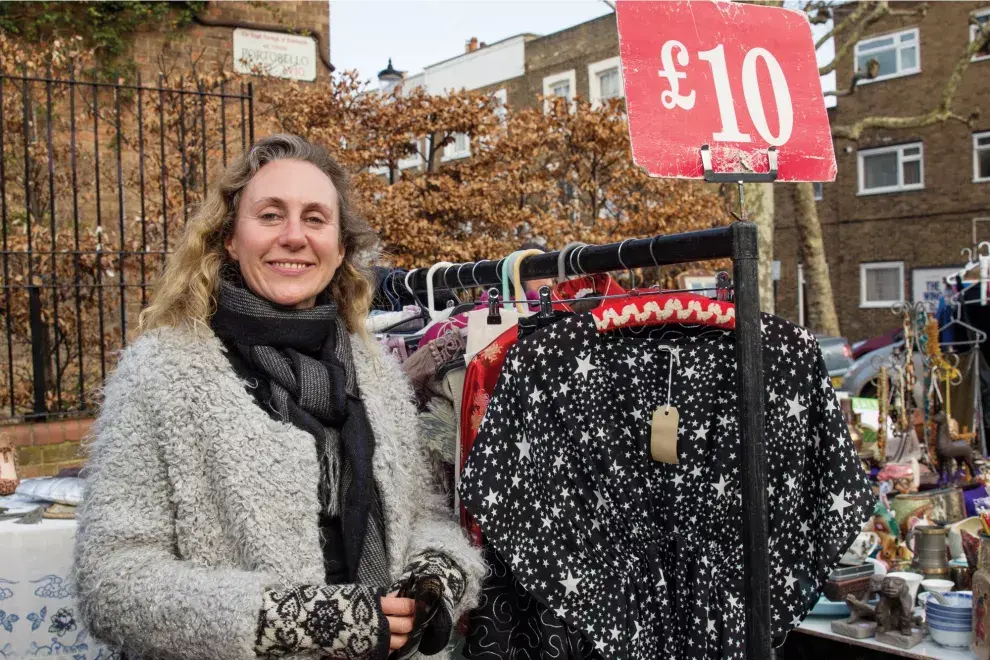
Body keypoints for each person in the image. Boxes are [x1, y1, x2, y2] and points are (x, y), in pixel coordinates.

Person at [74, 134, 484, 660]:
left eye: (315, 219)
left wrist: (437, 575)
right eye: (270, 215)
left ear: (340, 249)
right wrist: (301, 622)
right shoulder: (162, 372)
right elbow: (112, 580)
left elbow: (422, 514)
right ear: (229, 238)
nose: (294, 236)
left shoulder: (374, 371)